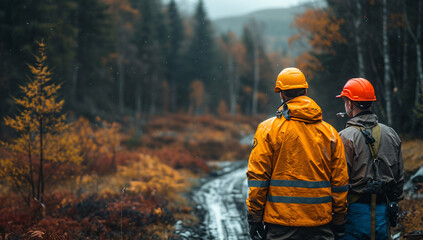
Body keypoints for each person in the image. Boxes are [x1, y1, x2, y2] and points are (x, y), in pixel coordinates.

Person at [246, 67, 349, 240]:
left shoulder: (267, 129)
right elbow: (340, 183)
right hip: (320, 225)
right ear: (306, 91)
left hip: (280, 226)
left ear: (281, 94)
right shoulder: (330, 133)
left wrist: (254, 218)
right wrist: (339, 222)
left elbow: (258, 180)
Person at [336, 78, 404, 240]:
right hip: (383, 209)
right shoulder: (391, 134)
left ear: (351, 104)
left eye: (345, 101)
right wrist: (393, 200)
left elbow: (339, 181)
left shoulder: (344, 137)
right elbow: (399, 177)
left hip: (354, 211)